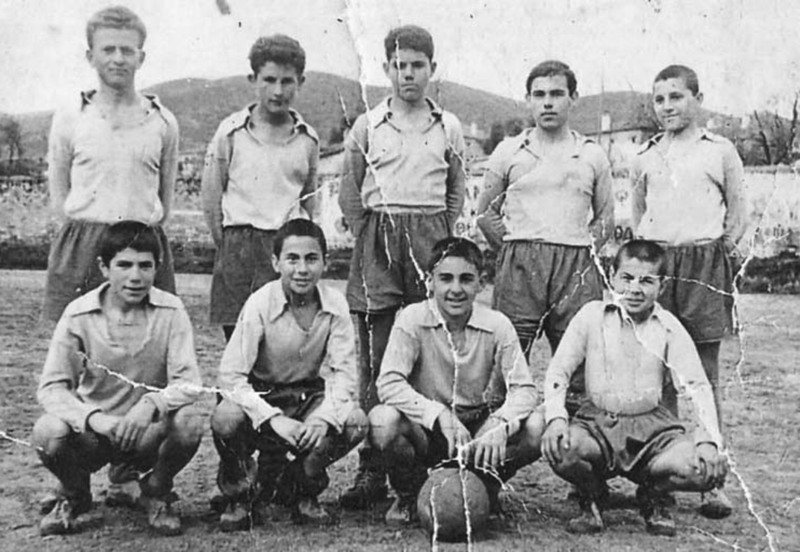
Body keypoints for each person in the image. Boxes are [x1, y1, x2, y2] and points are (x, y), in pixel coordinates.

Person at [338, 24, 466, 509]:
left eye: (417, 65)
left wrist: (436, 234)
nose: (407, 74)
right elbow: (350, 193)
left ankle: (423, 458)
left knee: (427, 351)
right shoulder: (368, 124)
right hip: (379, 239)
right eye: (399, 65)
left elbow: (455, 192)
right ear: (386, 68)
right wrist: (371, 236)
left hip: (429, 240)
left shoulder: (448, 126)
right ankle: (372, 468)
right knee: (377, 358)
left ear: (432, 69)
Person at [541, 240, 727, 536]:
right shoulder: (591, 315)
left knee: (703, 470)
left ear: (662, 286)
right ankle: (593, 496)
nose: (635, 289)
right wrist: (556, 418)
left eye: (647, 281)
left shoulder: (668, 325)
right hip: (598, 425)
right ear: (612, 277)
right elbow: (558, 370)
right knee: (561, 448)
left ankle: (652, 494)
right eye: (626, 278)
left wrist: (707, 441)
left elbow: (697, 385)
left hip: (652, 431)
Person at [33, 221, 203, 536]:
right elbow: (52, 387)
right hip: (93, 436)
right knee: (47, 432)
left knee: (190, 422)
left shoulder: (171, 310)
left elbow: (189, 382)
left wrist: (150, 405)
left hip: (146, 432)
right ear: (104, 267)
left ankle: (155, 491)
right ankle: (74, 494)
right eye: (124, 265)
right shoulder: (78, 313)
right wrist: (94, 419)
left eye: (145, 266)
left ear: (157, 267)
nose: (135, 277)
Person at [631, 64, 747, 518]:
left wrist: (718, 257)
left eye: (676, 97)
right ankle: (661, 478)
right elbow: (638, 213)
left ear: (698, 99)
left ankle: (711, 481)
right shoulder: (646, 155)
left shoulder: (720, 151)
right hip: (660, 266)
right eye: (659, 99)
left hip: (704, 265)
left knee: (704, 375)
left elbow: (737, 214)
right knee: (658, 375)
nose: (667, 107)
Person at [369, 237, 543, 524]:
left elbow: (524, 389)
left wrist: (500, 423)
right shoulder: (412, 318)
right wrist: (437, 414)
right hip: (429, 430)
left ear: (481, 283)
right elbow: (388, 383)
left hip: (475, 429)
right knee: (382, 420)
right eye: (446, 278)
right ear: (430, 281)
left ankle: (484, 489)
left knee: (536, 427)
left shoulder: (497, 324)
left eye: (466, 279)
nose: (456, 289)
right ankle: (411, 493)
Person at [210, 219, 367, 531]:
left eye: (311, 259)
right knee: (225, 417)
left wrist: (322, 419)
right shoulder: (259, 302)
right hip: (260, 395)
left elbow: (344, 375)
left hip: (306, 396)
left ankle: (301, 486)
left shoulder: (335, 304)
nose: (302, 269)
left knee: (356, 421)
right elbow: (230, 376)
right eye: (292, 259)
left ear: (325, 262)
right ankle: (240, 494)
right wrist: (272, 419)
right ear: (275, 263)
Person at [43, 6, 179, 322]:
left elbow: (165, 200)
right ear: (90, 56)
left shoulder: (163, 121)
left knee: (146, 341)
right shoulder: (69, 117)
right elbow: (59, 196)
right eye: (108, 49)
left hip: (142, 244)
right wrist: (87, 234)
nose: (118, 58)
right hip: (82, 247)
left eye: (127, 50)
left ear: (140, 58)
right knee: (77, 341)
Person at [476, 59, 614, 360]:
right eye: (539, 95)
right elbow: (485, 213)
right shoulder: (508, 151)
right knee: (509, 358)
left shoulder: (592, 154)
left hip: (575, 266)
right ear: (528, 100)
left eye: (557, 94)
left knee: (578, 360)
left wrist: (581, 250)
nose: (547, 103)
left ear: (573, 98)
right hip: (520, 266)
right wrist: (513, 246)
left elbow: (605, 218)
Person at [202, 35, 320, 341]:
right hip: (239, 247)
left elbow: (309, 200)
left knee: (283, 340)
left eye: (287, 81)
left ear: (300, 82)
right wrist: (229, 246)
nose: (278, 91)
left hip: (286, 249)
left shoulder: (308, 139)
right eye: (269, 80)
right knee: (240, 343)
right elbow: (211, 198)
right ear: (253, 79)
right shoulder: (230, 133)